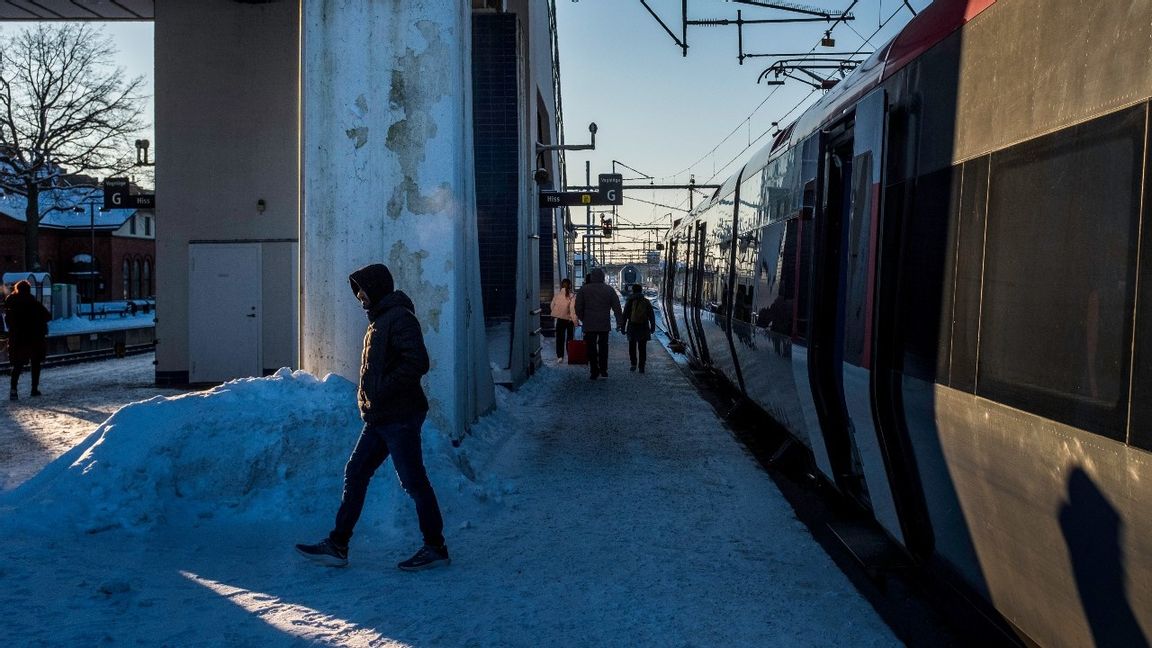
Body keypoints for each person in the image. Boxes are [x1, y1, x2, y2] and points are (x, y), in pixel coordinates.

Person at [296, 263, 450, 571]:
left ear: (377, 287)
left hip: (400, 415)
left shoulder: (400, 319)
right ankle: (338, 544)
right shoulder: (379, 321)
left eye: (361, 289)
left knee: (413, 481)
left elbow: (417, 362)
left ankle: (435, 547)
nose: (359, 297)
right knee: (356, 472)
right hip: (380, 418)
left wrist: (382, 390)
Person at [4, 280, 52, 401]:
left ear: (17, 289)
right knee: (35, 364)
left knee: (17, 366)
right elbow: (48, 316)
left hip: (18, 339)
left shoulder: (11, 304)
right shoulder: (34, 303)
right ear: (29, 290)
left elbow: (8, 321)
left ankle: (13, 391)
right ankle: (34, 389)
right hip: (34, 339)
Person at [574, 267, 623, 380]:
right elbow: (617, 308)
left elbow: (578, 307)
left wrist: (583, 318)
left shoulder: (584, 289)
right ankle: (604, 370)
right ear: (602, 277)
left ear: (591, 277)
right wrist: (619, 322)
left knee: (591, 348)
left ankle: (594, 370)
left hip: (589, 324)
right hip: (603, 324)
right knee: (603, 348)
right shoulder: (609, 290)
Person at [621, 284, 656, 373]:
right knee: (642, 347)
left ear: (633, 290)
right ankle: (641, 366)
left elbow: (625, 315)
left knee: (632, 346)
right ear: (641, 291)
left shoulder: (630, 301)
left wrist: (622, 327)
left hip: (632, 326)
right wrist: (652, 326)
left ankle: (633, 364)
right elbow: (651, 315)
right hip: (643, 326)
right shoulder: (646, 301)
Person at [549, 278, 578, 363]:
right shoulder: (572, 296)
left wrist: (557, 313)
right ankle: (570, 354)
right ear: (569, 285)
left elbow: (552, 306)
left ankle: (560, 356)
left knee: (559, 338)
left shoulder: (557, 295)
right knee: (569, 338)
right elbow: (573, 310)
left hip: (560, 320)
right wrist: (575, 322)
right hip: (569, 320)